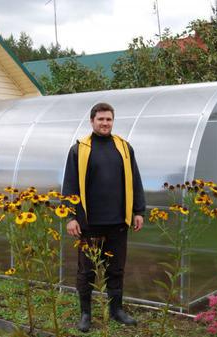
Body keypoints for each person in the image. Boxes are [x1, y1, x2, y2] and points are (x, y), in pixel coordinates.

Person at [62, 102, 146, 332]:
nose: (105, 123)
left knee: (116, 269)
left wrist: (138, 211)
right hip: (89, 225)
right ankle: (86, 314)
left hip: (118, 223)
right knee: (86, 270)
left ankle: (116, 310)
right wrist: (71, 217)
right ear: (92, 121)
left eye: (108, 119)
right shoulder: (79, 150)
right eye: (101, 119)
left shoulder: (124, 148)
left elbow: (135, 181)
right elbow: (69, 185)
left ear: (112, 121)